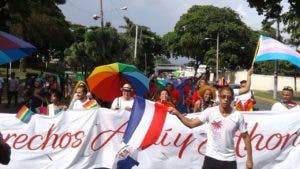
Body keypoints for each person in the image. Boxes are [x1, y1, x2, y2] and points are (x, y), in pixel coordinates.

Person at [168, 86, 253, 169]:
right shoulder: (210, 112)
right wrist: (177, 113)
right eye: (223, 96)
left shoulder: (238, 116)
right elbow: (191, 124)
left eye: (229, 97)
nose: (226, 99)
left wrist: (249, 159)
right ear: (219, 97)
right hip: (211, 158)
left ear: (232, 99)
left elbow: (246, 137)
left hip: (230, 160)